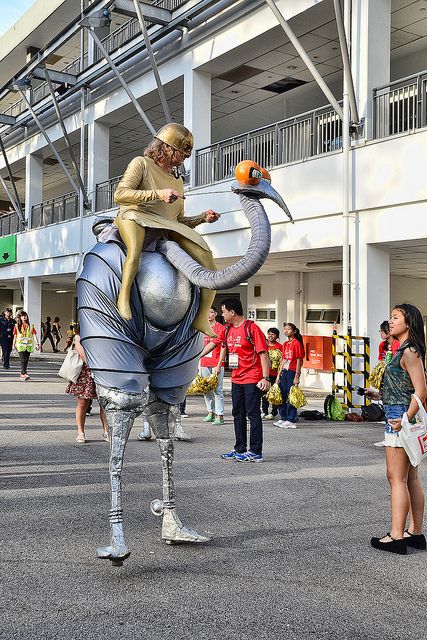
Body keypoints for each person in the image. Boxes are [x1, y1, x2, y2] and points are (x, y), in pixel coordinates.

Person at [113, 122, 220, 336]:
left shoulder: (177, 181)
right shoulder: (141, 163)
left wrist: (202, 218)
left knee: (209, 263)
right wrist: (157, 194)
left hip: (166, 227)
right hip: (136, 215)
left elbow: (177, 220)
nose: (183, 158)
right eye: (181, 153)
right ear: (166, 148)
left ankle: (201, 317)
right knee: (134, 251)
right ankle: (123, 298)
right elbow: (120, 195)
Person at [366, 304, 426, 555]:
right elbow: (405, 386)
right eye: (390, 316)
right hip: (401, 414)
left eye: (395, 317)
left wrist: (405, 419)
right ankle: (415, 533)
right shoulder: (403, 349)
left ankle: (397, 536)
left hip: (399, 419)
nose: (390, 321)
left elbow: (421, 390)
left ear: (409, 322)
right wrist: (378, 393)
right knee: (410, 477)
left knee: (396, 478)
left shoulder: (409, 350)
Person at [219, 298, 270, 462]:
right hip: (236, 378)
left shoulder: (251, 328)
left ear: (232, 312)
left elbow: (263, 353)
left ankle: (255, 451)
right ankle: (239, 448)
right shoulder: (227, 329)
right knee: (237, 414)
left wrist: (265, 378)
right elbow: (215, 343)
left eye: (224, 311)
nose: (222, 314)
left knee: (253, 414)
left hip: (252, 378)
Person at [65, 332, 108, 444]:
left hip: (102, 370)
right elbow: (81, 352)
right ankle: (80, 432)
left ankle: (107, 432)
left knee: (104, 403)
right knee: (83, 403)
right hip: (87, 371)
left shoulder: (101, 333)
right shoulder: (79, 336)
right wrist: (94, 365)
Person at [374, 320, 401, 447]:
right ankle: (388, 436)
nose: (380, 333)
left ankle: (394, 437)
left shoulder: (398, 344)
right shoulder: (382, 345)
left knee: (394, 411)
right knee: (387, 408)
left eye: (381, 331)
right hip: (385, 379)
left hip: (395, 382)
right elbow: (381, 362)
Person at [274, 322, 304, 429]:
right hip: (285, 371)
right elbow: (283, 360)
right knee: (282, 393)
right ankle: (283, 417)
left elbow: (299, 360)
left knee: (291, 394)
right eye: (285, 329)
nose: (286, 331)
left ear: (294, 331)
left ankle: (291, 419)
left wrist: (297, 376)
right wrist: (279, 375)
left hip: (292, 371)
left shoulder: (297, 343)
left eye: (289, 329)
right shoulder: (285, 344)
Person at [200, 307, 225, 425]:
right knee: (206, 390)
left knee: (217, 390)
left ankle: (220, 415)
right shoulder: (202, 327)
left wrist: (219, 364)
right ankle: (211, 412)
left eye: (211, 312)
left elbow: (224, 347)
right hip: (204, 362)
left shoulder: (221, 328)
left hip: (216, 363)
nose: (209, 315)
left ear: (215, 314)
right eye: (207, 312)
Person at [12, 310, 40, 380]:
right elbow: (15, 335)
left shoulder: (31, 326)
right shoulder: (16, 325)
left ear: (27, 317)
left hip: (28, 345)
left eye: (25, 316)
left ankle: (22, 373)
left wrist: (37, 344)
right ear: (20, 317)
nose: (24, 317)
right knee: (23, 359)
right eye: (22, 316)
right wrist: (13, 344)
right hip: (20, 345)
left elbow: (34, 335)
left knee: (26, 359)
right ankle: (24, 373)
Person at [261, 327, 282, 420]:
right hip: (265, 374)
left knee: (274, 393)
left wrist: (279, 374)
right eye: (269, 334)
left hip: (275, 374)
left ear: (277, 336)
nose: (270, 336)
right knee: (264, 393)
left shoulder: (280, 347)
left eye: (273, 334)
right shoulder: (264, 345)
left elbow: (282, 361)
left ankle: (273, 412)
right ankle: (264, 411)